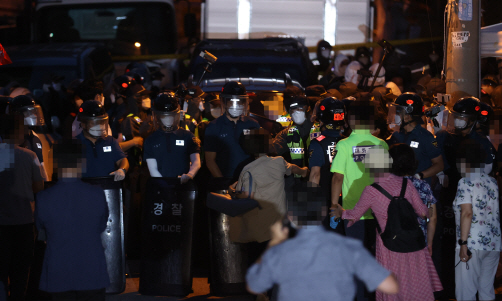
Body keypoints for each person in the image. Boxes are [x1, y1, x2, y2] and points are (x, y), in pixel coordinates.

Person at [332, 146, 443, 301]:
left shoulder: (371, 190)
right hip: (413, 243)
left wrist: (340, 212)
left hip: (389, 246)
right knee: (415, 284)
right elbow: (424, 213)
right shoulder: (406, 184)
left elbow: (354, 215)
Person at [245, 197, 399, 301]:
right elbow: (390, 285)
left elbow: (254, 285)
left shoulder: (279, 252)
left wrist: (274, 243)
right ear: (323, 214)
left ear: (291, 218)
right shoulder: (348, 247)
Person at [35, 140, 110, 301]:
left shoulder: (43, 198)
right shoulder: (96, 194)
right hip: (91, 269)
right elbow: (102, 225)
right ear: (82, 162)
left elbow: (41, 230)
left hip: (58, 270)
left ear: (55, 163)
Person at [330, 100, 389, 301]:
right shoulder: (381, 144)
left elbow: (337, 177)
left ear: (351, 120)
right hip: (379, 211)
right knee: (376, 259)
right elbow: (385, 178)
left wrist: (333, 206)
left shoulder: (344, 144)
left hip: (351, 210)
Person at [229, 128, 308, 248]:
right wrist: (304, 171)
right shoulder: (279, 162)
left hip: (259, 226)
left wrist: (232, 191)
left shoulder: (247, 170)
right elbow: (292, 168)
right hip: (279, 224)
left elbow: (246, 195)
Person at [0, 114, 44, 301]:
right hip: (24, 219)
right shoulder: (30, 156)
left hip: (1, 222)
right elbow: (39, 186)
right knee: (21, 268)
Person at [453, 139, 500, 301]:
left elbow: (467, 213)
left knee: (466, 292)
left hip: (472, 243)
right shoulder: (492, 182)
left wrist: (463, 244)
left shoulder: (465, 182)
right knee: (486, 291)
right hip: (493, 244)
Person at [204, 81, 260, 182]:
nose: (236, 105)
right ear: (225, 102)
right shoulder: (213, 127)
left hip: (248, 181)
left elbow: (260, 157)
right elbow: (210, 161)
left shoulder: (253, 125)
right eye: (232, 101)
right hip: (224, 179)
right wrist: (222, 184)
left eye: (239, 101)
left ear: (244, 103)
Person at [390, 143, 438, 254]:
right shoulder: (423, 185)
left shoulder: (388, 186)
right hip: (419, 242)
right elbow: (432, 218)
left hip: (395, 243)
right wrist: (429, 244)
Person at [387, 93, 444, 184]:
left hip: (418, 189)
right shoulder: (396, 135)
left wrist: (419, 176)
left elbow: (439, 165)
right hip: (398, 188)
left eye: (398, 112)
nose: (395, 115)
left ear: (408, 116)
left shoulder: (425, 137)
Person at [308, 97, 346, 232]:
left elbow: (315, 174)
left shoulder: (318, 142)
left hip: (325, 201)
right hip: (347, 200)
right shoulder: (347, 141)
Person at [144, 92, 201, 182]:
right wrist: (164, 184)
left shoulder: (187, 136)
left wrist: (190, 175)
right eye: (164, 116)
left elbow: (196, 161)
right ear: (158, 117)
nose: (168, 119)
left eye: (171, 116)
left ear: (176, 115)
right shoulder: (151, 140)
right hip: (161, 188)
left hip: (184, 186)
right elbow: (152, 169)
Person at [75, 100, 129, 180]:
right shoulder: (74, 144)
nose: (100, 126)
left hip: (108, 188)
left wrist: (122, 170)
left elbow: (122, 160)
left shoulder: (110, 141)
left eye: (102, 122)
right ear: (83, 124)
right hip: (85, 190)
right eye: (94, 123)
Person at [9, 95, 49, 181]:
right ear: (17, 115)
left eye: (34, 112)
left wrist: (46, 185)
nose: (34, 116)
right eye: (28, 113)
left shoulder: (35, 137)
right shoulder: (9, 139)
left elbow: (41, 167)